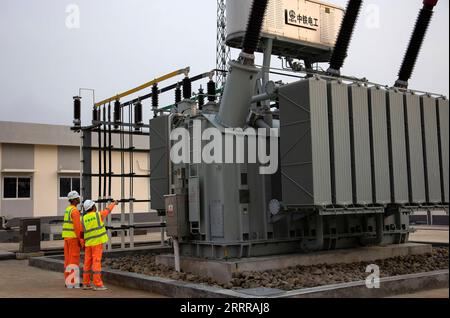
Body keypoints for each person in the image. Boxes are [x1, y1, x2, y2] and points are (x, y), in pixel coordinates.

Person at [81, 199, 118, 291]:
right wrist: (114, 203)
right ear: (93, 207)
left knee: (87, 263)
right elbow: (107, 210)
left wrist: (82, 243)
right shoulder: (98, 215)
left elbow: (81, 232)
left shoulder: (83, 219)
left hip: (88, 244)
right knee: (96, 262)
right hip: (97, 243)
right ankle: (98, 284)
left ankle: (86, 283)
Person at [62, 191, 84, 288]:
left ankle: (68, 281)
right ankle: (72, 282)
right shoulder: (75, 211)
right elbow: (78, 227)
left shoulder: (68, 209)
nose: (79, 199)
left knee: (68, 260)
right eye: (78, 198)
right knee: (74, 260)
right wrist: (82, 240)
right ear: (74, 200)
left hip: (66, 237)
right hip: (73, 238)